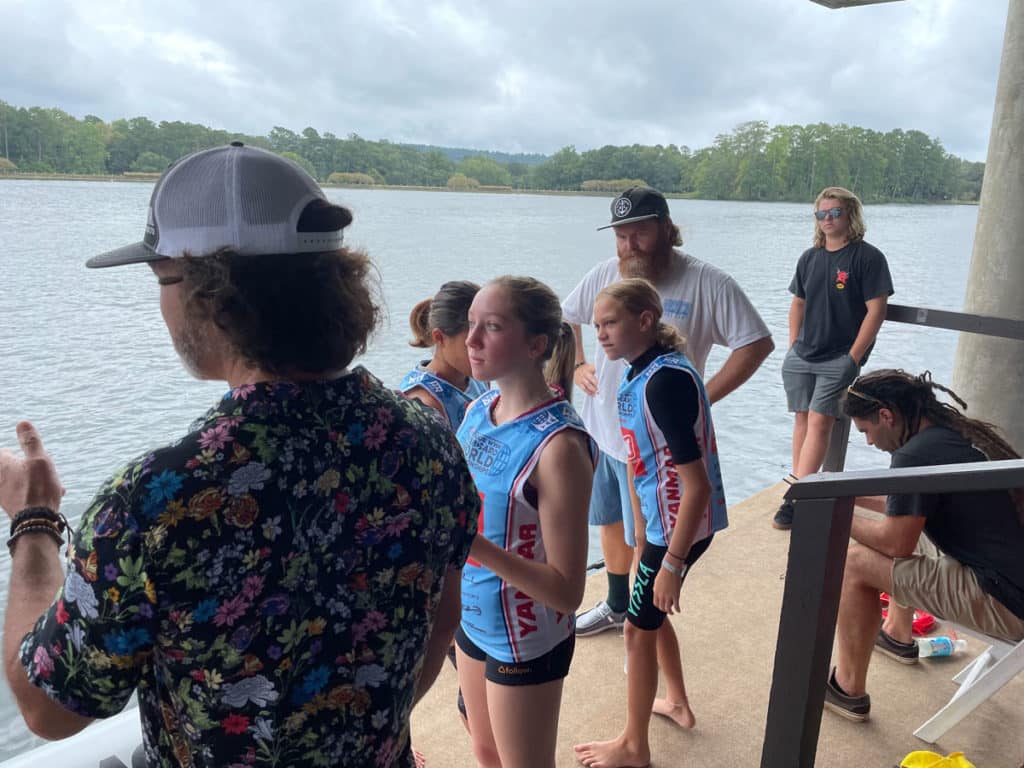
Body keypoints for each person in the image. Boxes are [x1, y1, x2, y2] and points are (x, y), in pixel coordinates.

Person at [0, 143, 479, 768]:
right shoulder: (428, 438)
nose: (162, 304)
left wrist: (33, 523)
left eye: (162, 278)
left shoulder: (155, 498)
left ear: (212, 294)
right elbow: (443, 621)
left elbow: (49, 709)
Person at [562, 185, 772, 636]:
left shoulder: (707, 282)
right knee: (610, 523)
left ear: (665, 228)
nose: (627, 246)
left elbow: (756, 343)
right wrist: (579, 363)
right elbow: (567, 316)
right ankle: (617, 605)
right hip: (603, 430)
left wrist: (701, 399)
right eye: (620, 235)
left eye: (638, 233)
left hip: (656, 450)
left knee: (646, 543)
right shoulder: (604, 274)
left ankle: (639, 622)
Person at [574, 279, 727, 768]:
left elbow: (696, 484)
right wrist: (643, 540)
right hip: (664, 528)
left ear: (645, 321)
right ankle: (678, 703)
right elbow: (646, 464)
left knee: (636, 631)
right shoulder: (645, 371)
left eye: (610, 323)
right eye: (596, 325)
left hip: (680, 529)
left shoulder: (664, 383)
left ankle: (633, 746)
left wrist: (672, 564)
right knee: (650, 615)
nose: (600, 334)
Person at [825, 369, 1024, 722]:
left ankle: (848, 688)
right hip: (1010, 574)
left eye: (866, 431)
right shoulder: (951, 433)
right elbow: (907, 504)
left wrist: (835, 520)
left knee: (855, 562)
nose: (869, 442)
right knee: (915, 528)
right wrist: (847, 496)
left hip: (1006, 601)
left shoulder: (915, 456)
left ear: (886, 415)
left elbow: (895, 542)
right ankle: (898, 634)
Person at [455, 276, 596, 768]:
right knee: (484, 750)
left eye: (491, 327)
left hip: (526, 636)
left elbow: (566, 591)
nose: (471, 340)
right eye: (471, 324)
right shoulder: (476, 410)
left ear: (536, 344)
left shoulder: (560, 448)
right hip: (470, 618)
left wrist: (468, 543)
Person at [775, 186, 894, 530]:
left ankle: (797, 497)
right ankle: (799, 486)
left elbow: (877, 310)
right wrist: (792, 345)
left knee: (820, 419)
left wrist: (853, 358)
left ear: (850, 216)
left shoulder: (867, 258)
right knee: (801, 419)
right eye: (821, 214)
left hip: (839, 358)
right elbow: (798, 302)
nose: (827, 219)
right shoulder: (810, 258)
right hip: (802, 354)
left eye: (835, 213)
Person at [400, 280, 488, 430]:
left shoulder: (478, 378)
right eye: (471, 342)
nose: (485, 348)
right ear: (439, 338)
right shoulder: (425, 403)